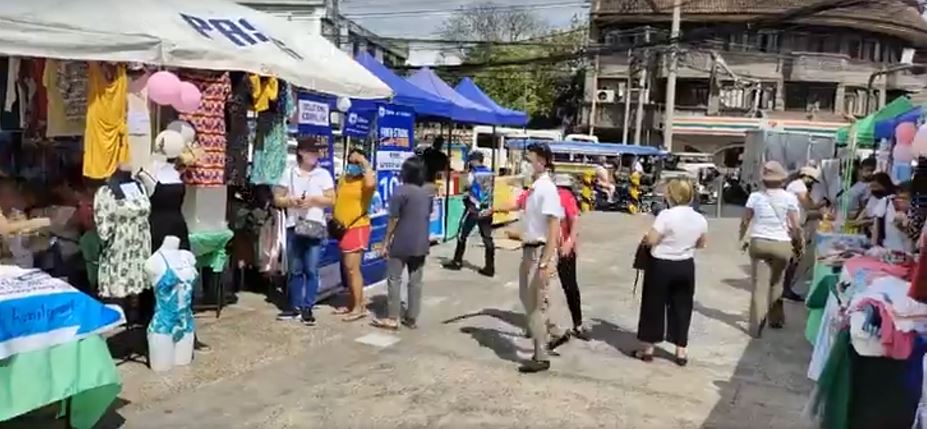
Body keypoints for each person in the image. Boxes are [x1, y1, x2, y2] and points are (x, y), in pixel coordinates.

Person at [632, 179, 707, 366]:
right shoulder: (700, 218)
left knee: (653, 306)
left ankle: (649, 349)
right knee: (682, 306)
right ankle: (681, 350)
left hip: (662, 265)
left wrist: (648, 238)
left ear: (671, 195)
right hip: (685, 265)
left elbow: (652, 240)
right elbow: (702, 243)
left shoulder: (666, 215)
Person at [273, 140, 335, 325]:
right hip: (294, 225)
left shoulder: (323, 174)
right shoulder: (289, 173)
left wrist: (314, 200)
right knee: (295, 269)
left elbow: (332, 199)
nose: (315, 155)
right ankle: (294, 306)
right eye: (311, 152)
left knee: (311, 268)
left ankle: (308, 306)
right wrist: (291, 201)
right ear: (301, 152)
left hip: (315, 225)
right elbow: (277, 199)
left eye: (317, 152)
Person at [739, 161, 802, 338]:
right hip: (781, 244)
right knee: (777, 282)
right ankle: (776, 319)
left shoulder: (755, 197)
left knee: (759, 285)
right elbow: (795, 225)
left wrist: (742, 237)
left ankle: (757, 325)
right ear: (782, 180)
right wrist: (797, 243)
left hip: (759, 241)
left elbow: (745, 220)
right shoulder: (790, 198)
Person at [516, 142, 563, 373]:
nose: (526, 163)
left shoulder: (547, 189)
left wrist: (545, 260)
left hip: (539, 252)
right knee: (527, 299)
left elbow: (554, 226)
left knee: (536, 306)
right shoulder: (535, 188)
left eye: (529, 159)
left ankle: (540, 355)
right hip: (529, 250)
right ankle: (547, 338)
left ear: (542, 161)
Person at [372, 157, 433, 331]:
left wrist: (385, 242)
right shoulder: (426, 193)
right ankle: (412, 317)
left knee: (394, 278)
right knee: (415, 281)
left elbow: (393, 219)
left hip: (402, 241)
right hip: (421, 242)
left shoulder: (400, 191)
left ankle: (393, 317)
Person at [333, 149, 376, 322]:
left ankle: (359, 308)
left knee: (353, 269)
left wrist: (363, 162)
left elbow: (371, 184)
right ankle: (354, 303)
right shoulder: (344, 179)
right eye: (351, 162)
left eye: (356, 163)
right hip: (342, 228)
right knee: (347, 269)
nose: (353, 165)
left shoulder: (365, 183)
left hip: (357, 227)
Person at [442, 151, 495, 277]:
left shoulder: (473, 173)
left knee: (462, 234)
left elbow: (465, 186)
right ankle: (490, 267)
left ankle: (457, 261)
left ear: (474, 161)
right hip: (487, 210)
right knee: (487, 238)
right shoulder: (490, 173)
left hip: (473, 209)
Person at [551, 174, 588, 340]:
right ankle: (577, 324)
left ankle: (538, 325)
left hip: (550, 246)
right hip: (563, 248)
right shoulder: (567, 197)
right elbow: (575, 223)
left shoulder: (552, 196)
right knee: (570, 287)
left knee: (540, 288)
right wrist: (572, 244)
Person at [782, 165, 825, 301]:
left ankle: (785, 287)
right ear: (806, 177)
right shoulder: (798, 186)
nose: (812, 184)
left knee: (794, 259)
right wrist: (824, 203)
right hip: (792, 227)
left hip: (793, 224)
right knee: (793, 259)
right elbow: (808, 205)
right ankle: (785, 289)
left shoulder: (796, 185)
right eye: (812, 180)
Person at [872, 180, 914, 253]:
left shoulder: (919, 210)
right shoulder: (886, 202)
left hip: (910, 254)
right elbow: (876, 227)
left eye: (905, 198)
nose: (900, 201)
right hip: (886, 251)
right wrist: (874, 246)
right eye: (899, 197)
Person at [865, 172, 897, 246]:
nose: (873, 189)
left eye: (876, 186)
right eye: (871, 187)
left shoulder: (891, 201)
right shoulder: (876, 200)